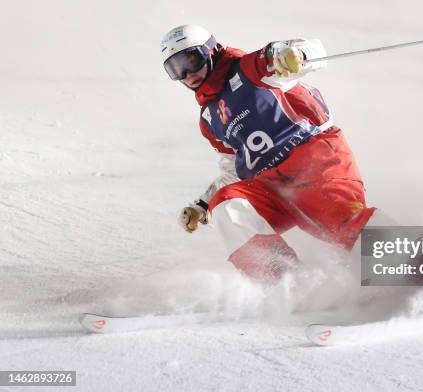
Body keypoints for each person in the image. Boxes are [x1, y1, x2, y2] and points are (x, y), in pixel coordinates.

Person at [160, 24, 382, 281]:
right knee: (226, 207)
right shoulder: (209, 119)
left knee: (343, 222)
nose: (187, 74)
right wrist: (203, 204)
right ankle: (289, 285)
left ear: (211, 50)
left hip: (315, 160)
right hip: (272, 185)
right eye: (175, 69)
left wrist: (296, 55)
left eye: (191, 60)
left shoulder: (250, 69)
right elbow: (233, 169)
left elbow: (311, 50)